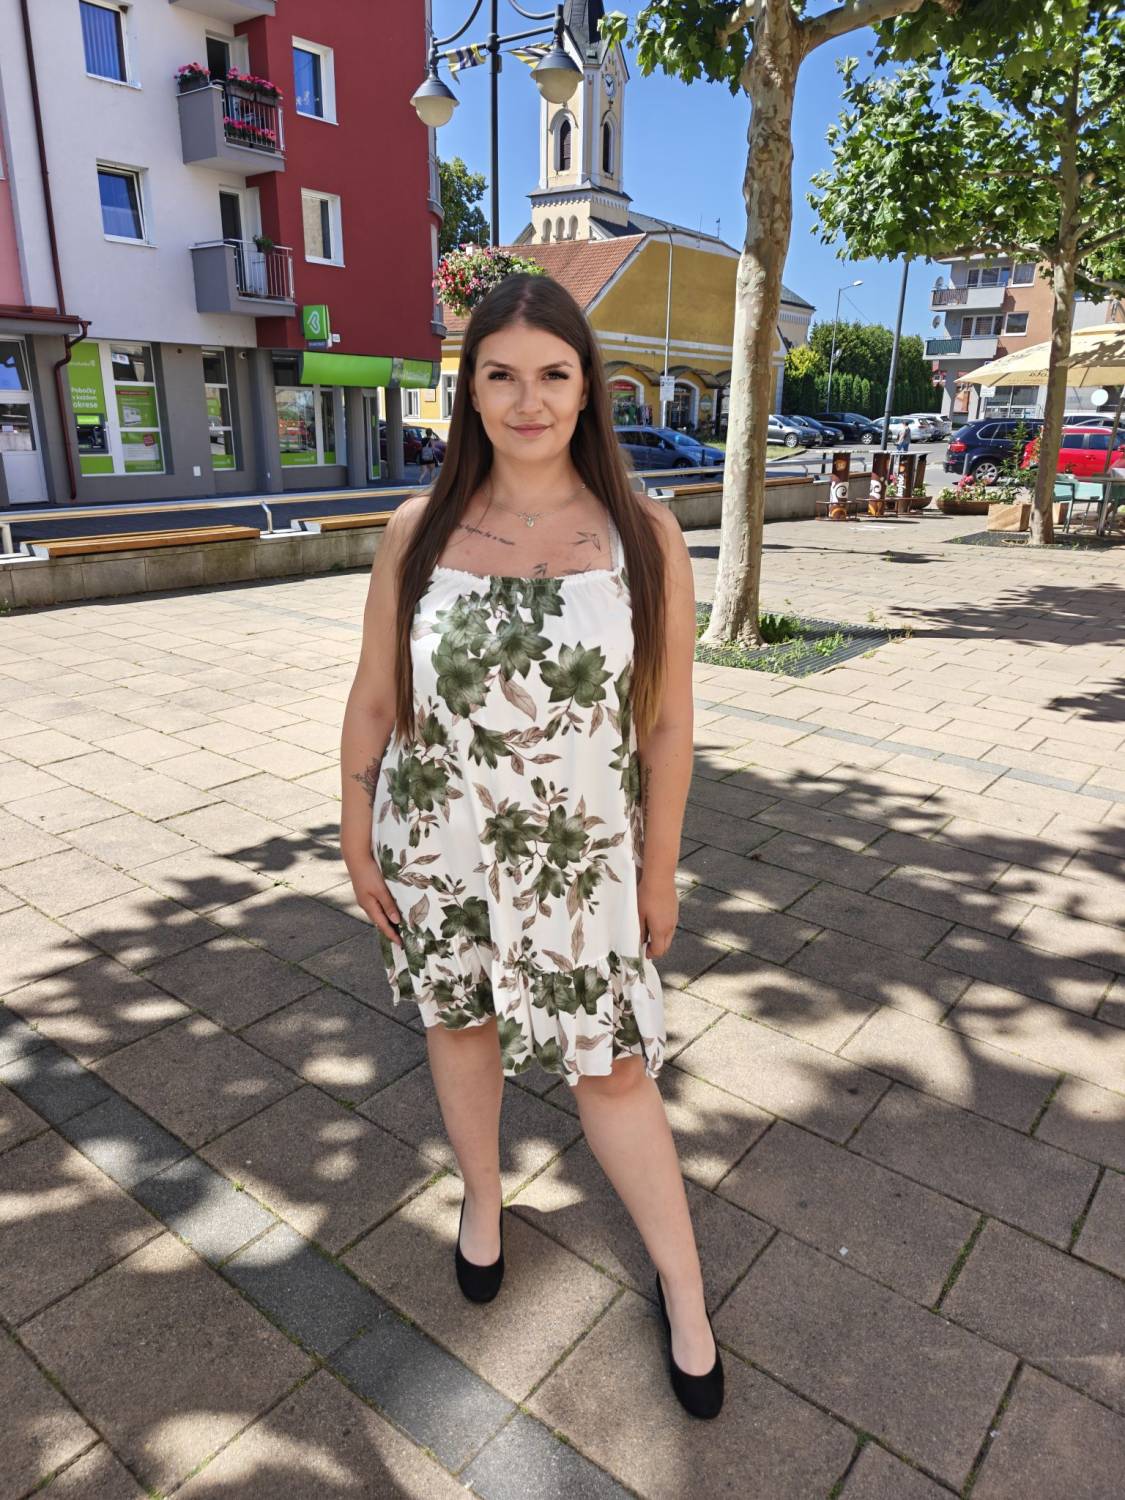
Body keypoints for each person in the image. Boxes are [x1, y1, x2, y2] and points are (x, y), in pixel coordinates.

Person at [340, 273, 723, 1420]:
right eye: (500, 375)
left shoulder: (643, 536)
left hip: (580, 858)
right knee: (459, 1024)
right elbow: (375, 698)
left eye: (553, 374)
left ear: (587, 386)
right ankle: (482, 1197)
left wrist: (659, 869)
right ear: (468, 390)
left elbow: (667, 725)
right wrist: (355, 832)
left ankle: (685, 1288)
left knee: (613, 1070)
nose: (528, 400)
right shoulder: (417, 532)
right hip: (439, 843)